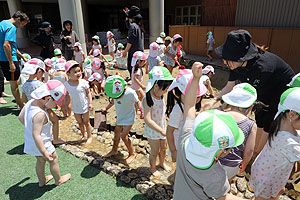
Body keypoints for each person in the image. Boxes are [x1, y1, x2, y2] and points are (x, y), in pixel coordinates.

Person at [203, 30, 295, 159]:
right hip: (262, 89)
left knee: (268, 121)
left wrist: (222, 109)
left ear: (242, 57)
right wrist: (214, 100)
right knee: (259, 118)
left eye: (228, 59)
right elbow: (230, 86)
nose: (225, 62)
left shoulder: (262, 68)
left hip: (279, 93)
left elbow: (245, 99)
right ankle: (254, 151)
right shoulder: (235, 64)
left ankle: (256, 155)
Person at [173, 62, 245, 200]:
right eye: (229, 148)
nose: (230, 150)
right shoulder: (215, 175)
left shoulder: (185, 140)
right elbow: (224, 197)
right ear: (220, 151)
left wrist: (195, 79)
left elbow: (189, 105)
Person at [249, 87, 300, 200]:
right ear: (292, 115)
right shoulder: (287, 142)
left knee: (279, 190)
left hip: (267, 171)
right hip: (267, 179)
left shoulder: (281, 121)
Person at [18, 80, 71, 187]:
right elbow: (37, 135)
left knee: (40, 162)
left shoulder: (29, 103)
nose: (55, 107)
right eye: (55, 103)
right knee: (53, 159)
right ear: (47, 98)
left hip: (31, 142)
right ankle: (58, 180)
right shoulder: (40, 114)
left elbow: (20, 118)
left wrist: (30, 126)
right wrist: (44, 151)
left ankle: (41, 181)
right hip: (42, 143)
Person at [218, 83, 257, 180]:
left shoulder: (220, 116)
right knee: (225, 184)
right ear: (251, 106)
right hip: (232, 165)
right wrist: (243, 164)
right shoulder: (251, 125)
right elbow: (249, 151)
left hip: (214, 159)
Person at [166, 69, 207, 162]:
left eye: (197, 97)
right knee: (180, 167)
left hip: (187, 144)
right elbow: (169, 132)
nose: (194, 99)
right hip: (179, 147)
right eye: (192, 96)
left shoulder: (189, 107)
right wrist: (173, 151)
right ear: (179, 94)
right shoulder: (178, 110)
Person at [142, 66, 174, 178]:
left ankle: (161, 163)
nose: (166, 92)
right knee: (155, 150)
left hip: (162, 127)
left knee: (163, 148)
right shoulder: (148, 98)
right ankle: (152, 167)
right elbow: (147, 119)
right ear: (156, 86)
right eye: (164, 89)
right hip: (153, 130)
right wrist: (160, 130)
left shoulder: (159, 96)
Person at [101, 75, 140, 164]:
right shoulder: (114, 95)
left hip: (129, 117)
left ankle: (132, 153)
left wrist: (141, 111)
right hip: (120, 116)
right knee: (116, 132)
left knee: (124, 136)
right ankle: (114, 150)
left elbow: (137, 102)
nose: (116, 97)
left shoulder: (130, 92)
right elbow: (112, 102)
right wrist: (106, 108)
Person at [0, 11, 29, 106]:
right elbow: (6, 45)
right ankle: (21, 105)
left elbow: (11, 46)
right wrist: (11, 63)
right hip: (8, 59)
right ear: (18, 19)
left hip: (2, 58)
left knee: (14, 81)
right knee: (14, 84)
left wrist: (22, 57)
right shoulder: (11, 27)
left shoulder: (2, 23)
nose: (21, 27)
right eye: (22, 24)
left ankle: (19, 102)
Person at [64, 60, 93, 144]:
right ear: (68, 74)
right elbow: (67, 96)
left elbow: (88, 93)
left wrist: (90, 103)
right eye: (75, 72)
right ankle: (83, 135)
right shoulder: (66, 84)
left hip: (85, 105)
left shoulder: (83, 82)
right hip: (75, 106)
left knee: (86, 122)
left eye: (79, 71)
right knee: (80, 122)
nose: (78, 73)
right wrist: (66, 105)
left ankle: (89, 136)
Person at [122, 5, 144, 77]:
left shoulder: (133, 26)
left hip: (134, 52)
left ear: (132, 18)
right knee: (138, 68)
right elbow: (129, 26)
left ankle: (134, 82)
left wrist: (125, 51)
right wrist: (127, 16)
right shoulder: (138, 26)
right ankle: (137, 81)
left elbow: (130, 41)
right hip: (140, 51)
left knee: (131, 68)